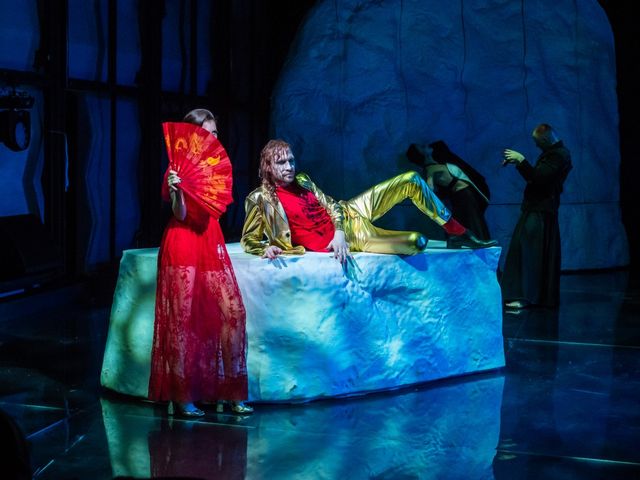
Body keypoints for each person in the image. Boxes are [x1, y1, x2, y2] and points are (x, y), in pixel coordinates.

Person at [148, 108, 253, 417]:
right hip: (182, 241)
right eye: (206, 132)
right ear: (191, 135)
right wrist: (176, 190)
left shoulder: (213, 167)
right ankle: (182, 398)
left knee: (233, 313)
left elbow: (216, 208)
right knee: (182, 320)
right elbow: (180, 214)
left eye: (215, 133)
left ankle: (231, 391)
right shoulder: (175, 168)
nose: (212, 138)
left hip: (209, 238)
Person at [241, 139, 497, 261]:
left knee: (410, 179)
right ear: (268, 166)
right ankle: (448, 236)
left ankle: (457, 232)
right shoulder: (260, 199)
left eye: (291, 160)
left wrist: (338, 232)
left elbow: (332, 205)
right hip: (356, 236)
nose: (289, 166)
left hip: (349, 214)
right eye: (281, 162)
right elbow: (248, 239)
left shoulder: (303, 180)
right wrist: (265, 248)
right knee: (417, 242)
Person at [501, 123, 572, 309]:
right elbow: (538, 178)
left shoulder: (559, 155)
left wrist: (521, 160)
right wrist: (520, 163)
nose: (536, 145)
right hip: (537, 208)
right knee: (527, 250)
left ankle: (526, 296)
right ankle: (527, 295)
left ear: (546, 139)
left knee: (529, 252)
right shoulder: (554, 154)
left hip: (541, 210)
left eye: (538, 141)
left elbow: (540, 179)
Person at [407, 140, 492, 240]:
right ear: (422, 155)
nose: (426, 145)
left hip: (465, 194)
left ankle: (470, 239)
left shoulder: (438, 163)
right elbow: (430, 188)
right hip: (462, 195)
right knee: (473, 221)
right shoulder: (430, 169)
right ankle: (478, 240)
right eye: (422, 147)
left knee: (470, 220)